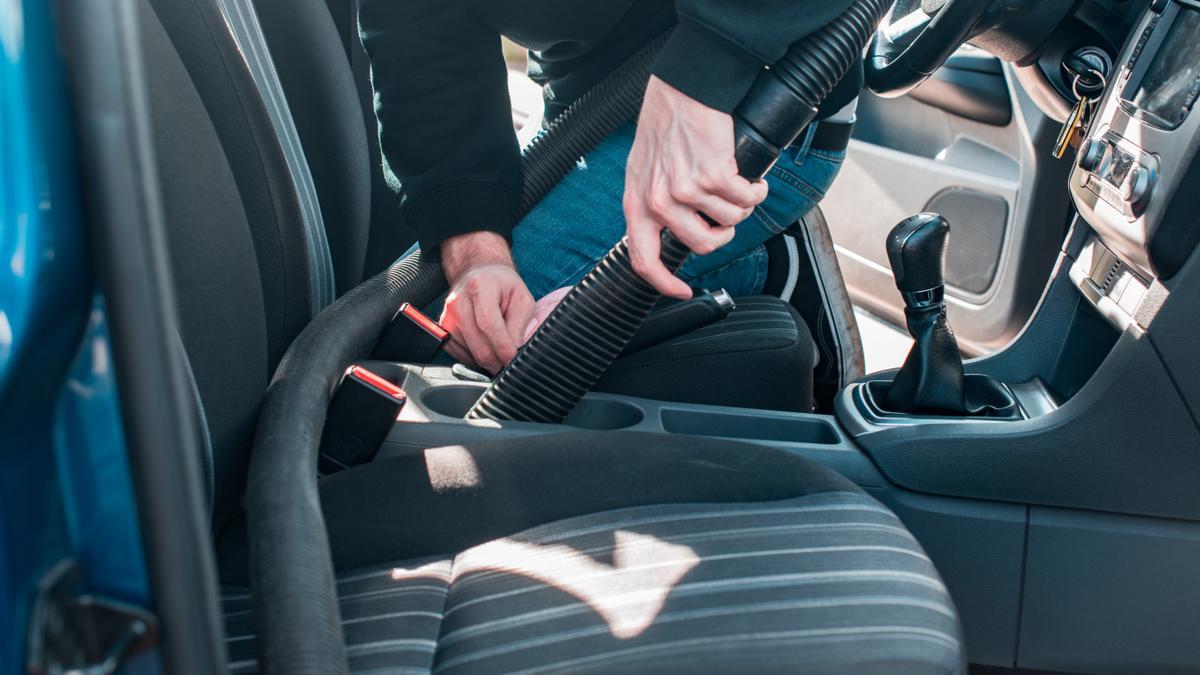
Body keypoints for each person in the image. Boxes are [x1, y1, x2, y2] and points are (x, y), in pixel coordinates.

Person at [358, 0, 862, 373]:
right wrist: (477, 254)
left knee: (432, 359)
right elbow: (421, 42)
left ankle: (756, 267)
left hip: (757, 103)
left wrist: (705, 72)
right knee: (433, 331)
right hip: (588, 105)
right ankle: (749, 261)